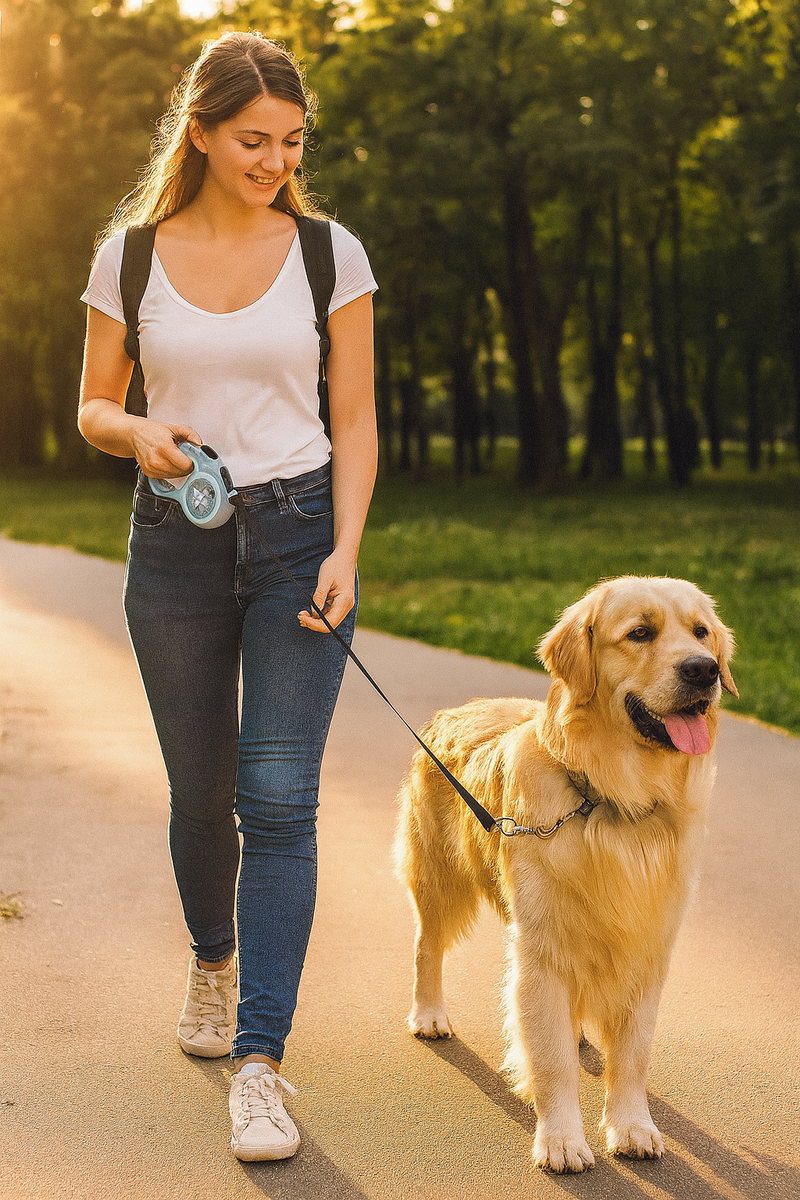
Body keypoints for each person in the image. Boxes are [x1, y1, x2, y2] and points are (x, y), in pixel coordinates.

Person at [77, 30, 377, 1162]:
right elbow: (92, 408)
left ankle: (262, 1062)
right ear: (198, 131)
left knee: (278, 799)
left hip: (301, 537)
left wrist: (346, 546)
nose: (275, 161)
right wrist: (139, 431)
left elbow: (352, 415)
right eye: (254, 140)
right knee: (201, 796)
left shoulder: (326, 254)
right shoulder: (133, 257)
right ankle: (213, 958)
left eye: (293, 142)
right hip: (176, 540)